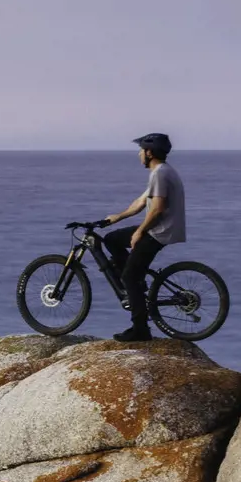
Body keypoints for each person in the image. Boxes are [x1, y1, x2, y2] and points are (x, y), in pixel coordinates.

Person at [97, 133, 186, 338]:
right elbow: (141, 202)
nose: (139, 155)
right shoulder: (162, 171)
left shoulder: (160, 174)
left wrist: (139, 231)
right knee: (112, 239)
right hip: (161, 228)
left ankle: (140, 330)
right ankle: (137, 284)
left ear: (149, 152)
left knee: (129, 276)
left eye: (141, 151)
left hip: (160, 231)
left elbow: (157, 209)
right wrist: (118, 217)